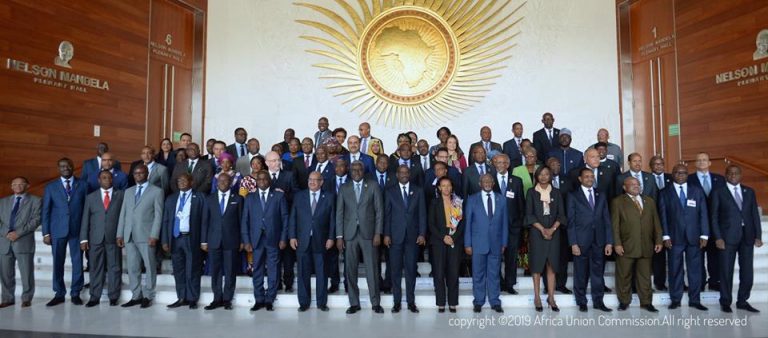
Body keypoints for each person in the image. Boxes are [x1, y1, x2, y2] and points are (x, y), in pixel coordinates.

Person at [711, 165, 763, 313]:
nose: (733, 175)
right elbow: (713, 217)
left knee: (747, 272)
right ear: (725, 175)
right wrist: (718, 237)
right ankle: (726, 302)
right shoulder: (718, 192)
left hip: (747, 237)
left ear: (741, 175)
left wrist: (758, 236)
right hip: (726, 238)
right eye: (730, 173)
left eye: (736, 173)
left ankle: (743, 301)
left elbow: (754, 215)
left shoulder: (749, 192)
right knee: (726, 271)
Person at [658, 164, 709, 311]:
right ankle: (675, 299)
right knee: (675, 269)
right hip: (673, 238)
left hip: (694, 237)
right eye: (677, 172)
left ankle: (695, 300)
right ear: (672, 174)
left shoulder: (697, 191)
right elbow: (663, 216)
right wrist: (665, 235)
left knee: (695, 270)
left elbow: (703, 213)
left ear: (688, 174)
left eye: (684, 173)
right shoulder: (664, 192)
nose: (680, 175)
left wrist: (704, 234)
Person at [336, 162, 384, 314]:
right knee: (350, 270)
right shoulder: (344, 188)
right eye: (353, 169)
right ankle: (354, 303)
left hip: (369, 234)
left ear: (364, 170)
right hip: (349, 235)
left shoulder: (373, 185)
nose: (356, 171)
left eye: (359, 169)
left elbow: (379, 212)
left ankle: (375, 303)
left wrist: (378, 233)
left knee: (372, 269)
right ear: (349, 171)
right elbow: (339, 213)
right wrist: (339, 236)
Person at [611, 176, 663, 313]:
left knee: (645, 276)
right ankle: (624, 301)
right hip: (626, 245)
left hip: (646, 245)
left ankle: (646, 302)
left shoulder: (649, 201)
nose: (636, 186)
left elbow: (656, 223)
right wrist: (617, 243)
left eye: (637, 184)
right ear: (624, 187)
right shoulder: (618, 202)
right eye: (632, 184)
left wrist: (658, 240)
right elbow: (615, 225)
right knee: (624, 275)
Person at [117, 164, 164, 309]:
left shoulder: (157, 191)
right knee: (132, 267)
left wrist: (154, 235)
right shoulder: (129, 191)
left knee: (150, 266)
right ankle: (136, 295)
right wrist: (120, 234)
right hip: (129, 235)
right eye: (136, 173)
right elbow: (123, 213)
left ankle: (148, 295)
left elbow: (158, 215)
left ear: (147, 174)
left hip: (147, 235)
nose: (138, 175)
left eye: (141, 173)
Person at [42, 157, 87, 306]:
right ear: (58, 169)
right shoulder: (50, 187)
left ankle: (75, 293)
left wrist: (86, 233)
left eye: (68, 165)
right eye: (62, 166)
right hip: (57, 230)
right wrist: (46, 233)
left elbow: (87, 210)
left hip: (77, 230)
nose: (66, 168)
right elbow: (46, 211)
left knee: (77, 262)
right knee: (58, 263)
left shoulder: (83, 185)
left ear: (73, 166)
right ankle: (59, 293)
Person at [567, 168, 613, 313]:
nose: (589, 179)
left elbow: (606, 219)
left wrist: (609, 242)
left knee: (598, 273)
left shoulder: (601, 194)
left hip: (599, 241)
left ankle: (598, 301)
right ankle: (581, 301)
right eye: (586, 176)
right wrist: (573, 243)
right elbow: (571, 222)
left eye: (591, 176)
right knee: (580, 273)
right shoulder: (573, 195)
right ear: (580, 179)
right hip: (581, 241)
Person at [241, 171, 288, 311]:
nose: (262, 181)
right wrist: (246, 240)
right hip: (256, 240)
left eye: (264, 179)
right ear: (256, 181)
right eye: (259, 179)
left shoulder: (279, 196)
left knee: (273, 269)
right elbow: (245, 220)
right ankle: (259, 299)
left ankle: (270, 299)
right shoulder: (250, 198)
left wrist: (283, 238)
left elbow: (285, 218)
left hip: (274, 239)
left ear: (269, 180)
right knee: (258, 270)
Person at [289, 171, 335, 312]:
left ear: (321, 182)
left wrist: (331, 237)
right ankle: (304, 302)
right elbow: (293, 217)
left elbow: (333, 219)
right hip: (302, 240)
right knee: (303, 273)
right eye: (310, 180)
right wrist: (292, 236)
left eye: (315, 180)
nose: (312, 182)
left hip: (321, 240)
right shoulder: (299, 196)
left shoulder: (329, 197)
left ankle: (322, 303)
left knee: (322, 272)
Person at [384, 165, 426, 313]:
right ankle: (396, 302)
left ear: (409, 174)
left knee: (410, 270)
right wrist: (387, 234)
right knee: (395, 271)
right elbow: (387, 215)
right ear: (397, 174)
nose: (404, 174)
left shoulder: (418, 190)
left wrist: (422, 233)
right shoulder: (390, 191)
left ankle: (411, 302)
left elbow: (422, 214)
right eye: (401, 172)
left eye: (406, 172)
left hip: (413, 237)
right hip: (395, 237)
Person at [79, 171, 123, 307]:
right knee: (95, 268)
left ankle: (114, 296)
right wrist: (83, 239)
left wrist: (122, 235)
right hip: (95, 239)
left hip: (113, 238)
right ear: (99, 180)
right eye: (104, 178)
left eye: (110, 177)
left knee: (114, 267)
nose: (107, 180)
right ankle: (94, 296)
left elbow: (124, 217)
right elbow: (85, 218)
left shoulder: (121, 195)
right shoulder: (90, 197)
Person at [465, 174, 508, 313]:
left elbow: (504, 223)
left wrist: (504, 242)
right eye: (484, 181)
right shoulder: (472, 199)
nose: (487, 183)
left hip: (496, 243)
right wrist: (467, 244)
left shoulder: (501, 199)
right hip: (478, 244)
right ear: (480, 183)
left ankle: (495, 301)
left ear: (493, 183)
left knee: (494, 273)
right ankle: (478, 301)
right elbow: (468, 224)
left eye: (489, 181)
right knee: (478, 274)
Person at [526, 166, 566, 312]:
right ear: (537, 176)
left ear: (550, 176)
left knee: (552, 265)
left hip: (554, 233)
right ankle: (537, 297)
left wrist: (552, 229)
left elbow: (561, 215)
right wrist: (543, 229)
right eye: (541, 174)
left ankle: (551, 297)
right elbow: (529, 215)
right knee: (537, 266)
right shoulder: (531, 192)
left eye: (546, 174)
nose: (543, 177)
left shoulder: (556, 192)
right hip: (537, 233)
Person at [162, 173, 205, 309]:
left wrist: (203, 240)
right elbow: (166, 221)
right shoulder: (171, 198)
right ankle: (181, 297)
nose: (181, 182)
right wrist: (165, 240)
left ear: (191, 182)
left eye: (184, 180)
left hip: (191, 238)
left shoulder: (199, 197)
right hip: (175, 238)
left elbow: (204, 221)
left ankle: (192, 298)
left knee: (192, 268)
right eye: (179, 180)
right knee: (178, 269)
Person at [201, 172, 242, 310]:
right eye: (220, 181)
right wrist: (204, 241)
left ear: (230, 183)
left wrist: (242, 240)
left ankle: (227, 299)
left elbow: (242, 221)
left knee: (230, 271)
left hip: (232, 240)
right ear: (216, 183)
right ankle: (217, 298)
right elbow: (205, 222)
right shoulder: (209, 199)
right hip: (213, 241)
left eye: (226, 181)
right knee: (216, 271)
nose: (223, 184)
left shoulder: (238, 198)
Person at [687, 152, 726, 292]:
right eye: (699, 160)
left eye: (704, 160)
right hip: (696, 226)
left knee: (714, 256)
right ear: (695, 163)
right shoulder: (689, 179)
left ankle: (714, 281)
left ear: (709, 163)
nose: (702, 162)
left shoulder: (720, 179)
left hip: (716, 226)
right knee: (698, 256)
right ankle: (700, 282)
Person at [0, 177, 41, 308]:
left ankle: (26, 298)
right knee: (5, 273)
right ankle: (7, 298)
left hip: (23, 240)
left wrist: (18, 233)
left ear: (27, 185)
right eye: (14, 184)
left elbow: (36, 220)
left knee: (26, 272)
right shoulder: (3, 201)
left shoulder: (36, 200)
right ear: (11, 186)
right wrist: (6, 233)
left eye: (21, 184)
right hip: (5, 241)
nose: (17, 186)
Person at [491, 154, 525, 295]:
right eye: (498, 162)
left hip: (513, 226)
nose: (501, 165)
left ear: (508, 164)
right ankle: (498, 283)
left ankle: (510, 284)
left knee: (511, 256)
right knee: (496, 255)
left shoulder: (516, 181)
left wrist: (520, 224)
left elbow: (521, 204)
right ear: (494, 164)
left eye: (504, 162)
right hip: (495, 227)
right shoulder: (489, 180)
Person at [429, 176, 463, 313]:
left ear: (452, 187)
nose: (446, 188)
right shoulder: (434, 202)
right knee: (438, 273)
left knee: (453, 273)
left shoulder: (458, 202)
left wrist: (453, 237)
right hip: (439, 241)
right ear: (439, 188)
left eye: (448, 185)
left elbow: (462, 223)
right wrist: (443, 237)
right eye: (443, 185)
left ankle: (453, 302)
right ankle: (441, 302)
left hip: (455, 241)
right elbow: (431, 224)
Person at [649, 155, 672, 290]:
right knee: (658, 254)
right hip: (652, 221)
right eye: (655, 164)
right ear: (650, 166)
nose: (658, 166)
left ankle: (677, 282)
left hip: (670, 221)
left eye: (661, 164)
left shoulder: (671, 177)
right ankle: (659, 282)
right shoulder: (646, 178)